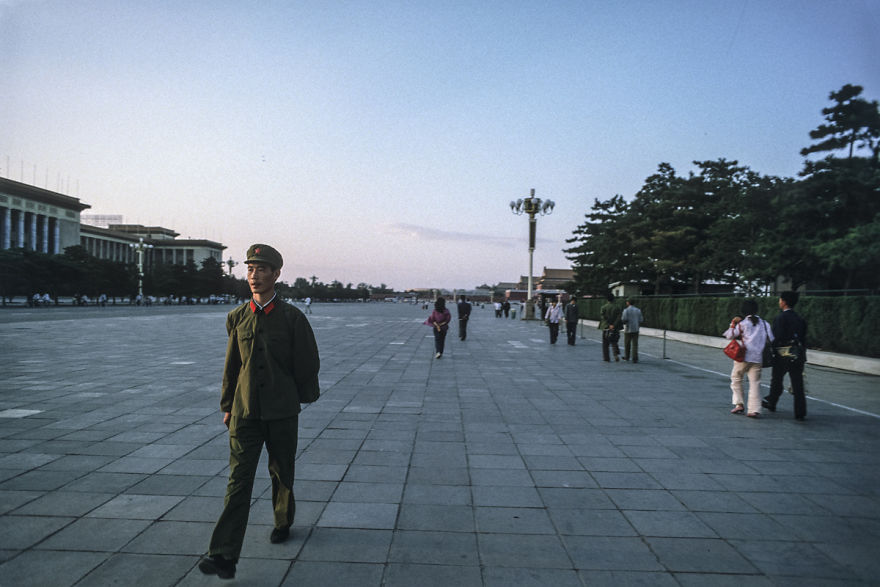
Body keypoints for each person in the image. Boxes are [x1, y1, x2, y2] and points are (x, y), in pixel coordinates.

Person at [199, 244, 320, 580]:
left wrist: (298, 398)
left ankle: (283, 520)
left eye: (262, 269)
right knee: (238, 482)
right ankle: (223, 554)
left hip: (282, 413)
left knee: (282, 472)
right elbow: (231, 367)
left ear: (276, 274)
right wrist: (227, 406)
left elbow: (307, 363)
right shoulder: (237, 318)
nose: (254, 275)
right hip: (245, 413)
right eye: (250, 269)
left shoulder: (293, 318)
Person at [763, 291, 808, 420]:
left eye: (780, 300)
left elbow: (776, 337)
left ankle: (772, 402)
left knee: (777, 379)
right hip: (797, 353)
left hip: (782, 353)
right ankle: (800, 412)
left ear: (783, 302)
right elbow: (803, 338)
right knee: (797, 383)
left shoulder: (780, 318)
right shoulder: (800, 319)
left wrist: (772, 350)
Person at [723, 299, 773, 418]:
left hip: (743, 357)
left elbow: (729, 335)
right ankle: (754, 410)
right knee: (755, 383)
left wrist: (732, 323)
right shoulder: (765, 324)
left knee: (736, 378)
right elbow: (771, 338)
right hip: (758, 358)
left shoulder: (743, 324)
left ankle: (739, 403)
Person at [620, 298, 645, 362]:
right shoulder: (638, 310)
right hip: (636, 329)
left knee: (627, 344)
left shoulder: (626, 310)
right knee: (635, 344)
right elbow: (641, 320)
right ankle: (635, 358)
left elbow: (623, 319)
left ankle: (627, 356)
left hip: (628, 329)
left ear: (628, 303)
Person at [599, 293, 622, 362]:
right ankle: (616, 354)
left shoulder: (603, 307)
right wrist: (613, 325)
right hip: (615, 327)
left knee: (605, 344)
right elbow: (619, 317)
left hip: (606, 327)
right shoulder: (617, 307)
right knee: (614, 341)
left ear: (607, 299)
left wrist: (609, 324)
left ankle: (606, 358)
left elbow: (603, 317)